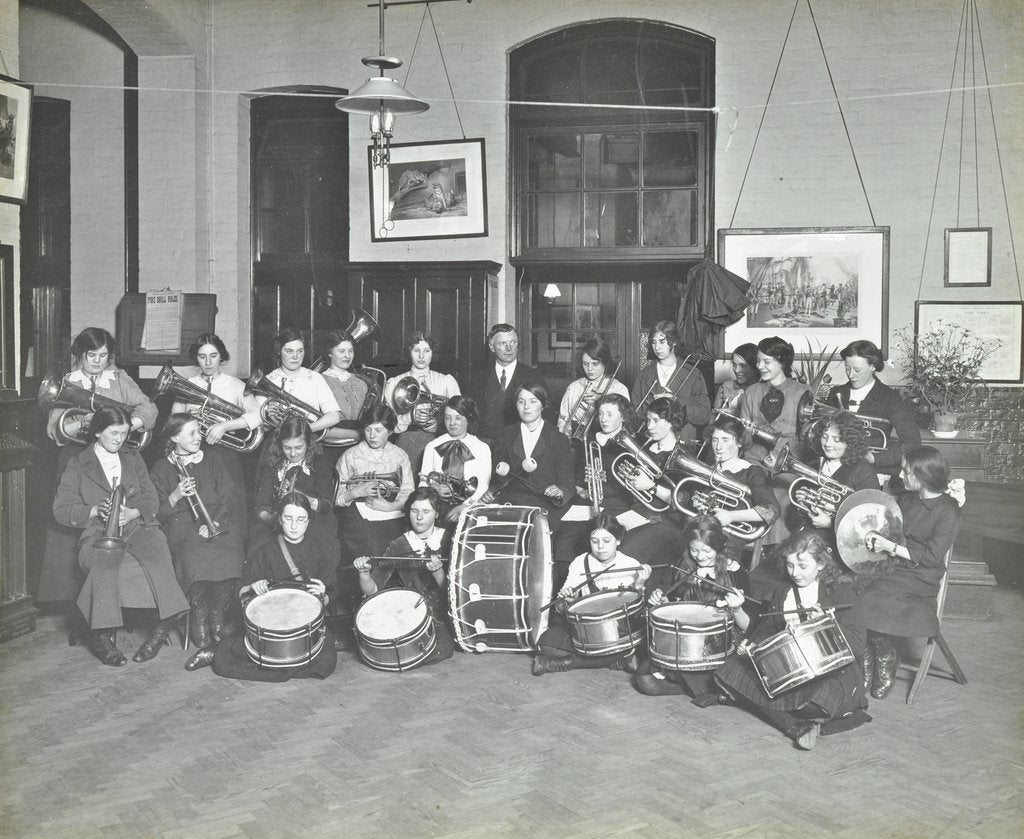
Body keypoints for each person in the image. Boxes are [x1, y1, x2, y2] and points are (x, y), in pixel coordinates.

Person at [52, 406, 188, 666]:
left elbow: (151, 498)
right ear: (97, 432)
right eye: (114, 433)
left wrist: (134, 511)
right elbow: (60, 510)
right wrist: (93, 510)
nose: (120, 440)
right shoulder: (78, 463)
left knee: (159, 560)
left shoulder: (132, 457)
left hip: (138, 526)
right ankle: (101, 637)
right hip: (97, 531)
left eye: (124, 433)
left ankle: (160, 630)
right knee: (103, 569)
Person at [715, 531, 868, 751]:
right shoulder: (782, 591)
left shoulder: (841, 592)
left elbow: (858, 646)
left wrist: (827, 625)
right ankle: (795, 726)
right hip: (788, 670)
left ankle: (773, 709)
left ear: (821, 564)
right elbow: (767, 632)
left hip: (832, 671)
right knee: (729, 669)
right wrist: (752, 642)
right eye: (790, 565)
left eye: (802, 566)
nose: (795, 573)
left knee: (817, 701)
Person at [38, 327, 159, 605]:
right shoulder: (70, 381)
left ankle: (117, 592)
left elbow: (149, 410)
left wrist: (126, 427)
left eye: (103, 355)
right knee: (74, 525)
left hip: (115, 455)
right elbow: (55, 429)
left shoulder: (119, 378)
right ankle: (68, 599)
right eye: (91, 355)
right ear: (80, 355)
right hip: (77, 458)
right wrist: (84, 422)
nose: (96, 361)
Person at [183, 493, 337, 680]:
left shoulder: (319, 549)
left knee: (326, 663)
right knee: (226, 663)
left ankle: (275, 665)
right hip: (271, 626)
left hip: (304, 625)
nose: (294, 526)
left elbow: (329, 594)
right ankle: (219, 652)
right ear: (279, 519)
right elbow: (240, 589)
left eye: (301, 519)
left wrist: (323, 594)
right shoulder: (265, 550)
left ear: (309, 521)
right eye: (288, 519)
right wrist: (253, 587)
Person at [856, 446, 964, 700]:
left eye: (906, 471)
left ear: (922, 475)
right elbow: (891, 531)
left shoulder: (948, 511)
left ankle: (885, 655)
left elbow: (930, 557)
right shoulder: (907, 500)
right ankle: (871, 656)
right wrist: (877, 538)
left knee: (874, 596)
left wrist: (890, 547)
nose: (901, 475)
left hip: (920, 576)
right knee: (853, 586)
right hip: (894, 565)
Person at [149, 413, 245, 650]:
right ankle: (199, 614)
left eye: (198, 431)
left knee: (231, 551)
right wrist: (176, 495)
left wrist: (214, 522)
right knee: (193, 556)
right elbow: (156, 514)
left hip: (216, 520)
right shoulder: (161, 468)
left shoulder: (212, 459)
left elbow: (229, 496)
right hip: (180, 524)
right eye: (191, 433)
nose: (198, 437)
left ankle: (216, 614)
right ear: (174, 437)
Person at [635, 516, 750, 705]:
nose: (700, 556)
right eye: (694, 550)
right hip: (684, 640)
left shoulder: (736, 572)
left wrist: (737, 608)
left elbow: (748, 627)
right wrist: (662, 601)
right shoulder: (684, 566)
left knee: (649, 680)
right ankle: (704, 688)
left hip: (718, 645)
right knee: (644, 680)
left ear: (719, 547)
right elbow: (673, 603)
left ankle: (700, 683)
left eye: (707, 550)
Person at [531, 514, 652, 676]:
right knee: (544, 643)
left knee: (641, 639)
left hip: (621, 633)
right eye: (594, 541)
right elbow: (560, 608)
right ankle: (621, 659)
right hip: (588, 633)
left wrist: (639, 585)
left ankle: (566, 663)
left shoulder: (631, 565)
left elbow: (637, 612)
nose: (600, 546)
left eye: (607, 541)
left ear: (618, 540)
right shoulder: (580, 562)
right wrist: (568, 599)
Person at [352, 488, 455, 670]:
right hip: (410, 615)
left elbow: (454, 595)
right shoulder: (400, 545)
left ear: (437, 513)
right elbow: (373, 590)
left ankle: (403, 657)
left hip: (440, 616)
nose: (419, 517)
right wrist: (364, 574)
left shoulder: (449, 540)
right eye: (414, 511)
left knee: (443, 646)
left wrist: (438, 572)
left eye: (426, 511)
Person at [169, 332, 261, 530]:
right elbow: (173, 421)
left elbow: (257, 415)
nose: (208, 362)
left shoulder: (236, 385)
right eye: (202, 357)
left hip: (225, 453)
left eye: (214, 356)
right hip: (192, 452)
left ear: (222, 357)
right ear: (197, 359)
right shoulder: (187, 386)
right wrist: (188, 419)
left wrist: (224, 426)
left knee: (229, 505)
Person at [552, 393, 635, 585]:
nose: (603, 419)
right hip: (590, 502)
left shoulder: (630, 443)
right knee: (565, 541)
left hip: (618, 504)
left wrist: (612, 479)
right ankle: (570, 592)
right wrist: (584, 483)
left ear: (623, 417)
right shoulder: (590, 440)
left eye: (610, 414)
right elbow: (579, 478)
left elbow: (634, 486)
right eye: (600, 414)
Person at [739, 336, 812, 546]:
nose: (760, 366)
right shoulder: (751, 392)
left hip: (790, 461)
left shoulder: (803, 392)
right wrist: (746, 433)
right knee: (749, 491)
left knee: (783, 495)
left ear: (782, 361)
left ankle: (778, 551)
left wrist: (779, 454)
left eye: (766, 362)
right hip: (754, 460)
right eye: (758, 361)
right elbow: (742, 443)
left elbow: (807, 439)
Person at [825, 339, 921, 481]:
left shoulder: (889, 397)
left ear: (873, 367)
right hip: (835, 467)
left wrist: (875, 457)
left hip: (870, 471)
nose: (851, 375)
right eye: (847, 368)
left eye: (857, 370)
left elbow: (912, 440)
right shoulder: (836, 392)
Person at [335, 404, 416, 565]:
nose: (372, 435)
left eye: (378, 430)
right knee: (371, 543)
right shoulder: (350, 455)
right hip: (356, 509)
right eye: (368, 429)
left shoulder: (400, 456)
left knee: (399, 543)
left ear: (390, 431)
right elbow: (336, 499)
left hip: (391, 507)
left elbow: (408, 491)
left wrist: (391, 507)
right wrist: (355, 492)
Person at [481, 382, 574, 518]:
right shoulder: (504, 436)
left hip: (546, 508)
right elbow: (498, 478)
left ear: (543, 405)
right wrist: (491, 492)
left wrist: (560, 491)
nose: (526, 407)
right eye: (521, 401)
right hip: (510, 506)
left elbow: (568, 483)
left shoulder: (559, 439)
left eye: (533, 401)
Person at [617, 397, 690, 562]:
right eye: (648, 420)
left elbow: (681, 501)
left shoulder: (683, 456)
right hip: (636, 511)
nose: (649, 426)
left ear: (671, 422)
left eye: (656, 421)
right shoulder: (645, 447)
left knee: (626, 548)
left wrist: (651, 486)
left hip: (666, 520)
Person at [252, 417, 338, 555]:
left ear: (308, 444)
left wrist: (299, 497)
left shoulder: (320, 463)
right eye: (287, 448)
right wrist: (273, 519)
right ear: (280, 445)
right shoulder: (272, 465)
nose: (293, 454)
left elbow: (326, 505)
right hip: (279, 522)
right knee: (259, 549)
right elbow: (261, 506)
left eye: (298, 447)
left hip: (314, 522)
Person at [787, 410, 880, 538]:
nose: (828, 444)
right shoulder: (812, 467)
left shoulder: (864, 472)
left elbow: (870, 524)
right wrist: (801, 508)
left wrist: (831, 524)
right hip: (807, 538)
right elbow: (791, 522)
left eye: (836, 439)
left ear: (850, 442)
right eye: (824, 436)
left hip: (840, 545)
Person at [384, 331, 460, 473]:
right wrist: (411, 417)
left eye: (426, 351)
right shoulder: (394, 383)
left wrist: (437, 424)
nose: (421, 356)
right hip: (406, 443)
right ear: (409, 352)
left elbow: (459, 417)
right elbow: (389, 424)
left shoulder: (446, 381)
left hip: (440, 442)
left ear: (433, 352)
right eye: (416, 350)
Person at [256, 327, 342, 446]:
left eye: (300, 351)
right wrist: (271, 419)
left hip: (310, 439)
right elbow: (261, 427)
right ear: (279, 351)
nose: (295, 357)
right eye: (289, 351)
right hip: (278, 441)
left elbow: (334, 416)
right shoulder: (266, 381)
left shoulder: (315, 378)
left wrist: (304, 431)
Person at [630, 320, 710, 443]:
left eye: (662, 341)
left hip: (683, 443)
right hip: (650, 443)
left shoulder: (693, 374)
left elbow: (704, 416)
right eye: (653, 342)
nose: (657, 347)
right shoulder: (644, 376)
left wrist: (678, 401)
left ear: (674, 342)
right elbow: (635, 417)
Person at [419, 396, 491, 524]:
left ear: (468, 419)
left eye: (458, 418)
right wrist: (434, 489)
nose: (452, 423)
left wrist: (464, 507)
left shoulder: (482, 448)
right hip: (437, 506)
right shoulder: (432, 446)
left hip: (470, 508)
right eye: (448, 417)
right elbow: (423, 483)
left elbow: (482, 487)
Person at [475, 323, 547, 443]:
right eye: (503, 343)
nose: (509, 348)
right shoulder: (479, 378)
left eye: (513, 342)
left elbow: (546, 413)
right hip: (485, 444)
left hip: (520, 443)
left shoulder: (533, 376)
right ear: (491, 347)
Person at [556, 338, 628, 439]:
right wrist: (564, 440)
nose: (589, 369)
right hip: (577, 438)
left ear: (605, 363)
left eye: (595, 364)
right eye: (585, 364)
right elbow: (563, 421)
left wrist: (600, 401)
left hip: (609, 440)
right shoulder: (574, 387)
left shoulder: (619, 389)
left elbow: (625, 422)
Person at [318, 328, 372, 448]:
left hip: (362, 446)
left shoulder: (362, 383)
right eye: (341, 351)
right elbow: (318, 427)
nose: (347, 356)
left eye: (350, 351)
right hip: (330, 446)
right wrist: (357, 434)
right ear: (330, 353)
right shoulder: (319, 381)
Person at [714, 342, 759, 412]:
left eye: (743, 365)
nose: (737, 370)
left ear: (755, 366)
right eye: (734, 365)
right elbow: (714, 417)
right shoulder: (725, 387)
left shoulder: (764, 391)